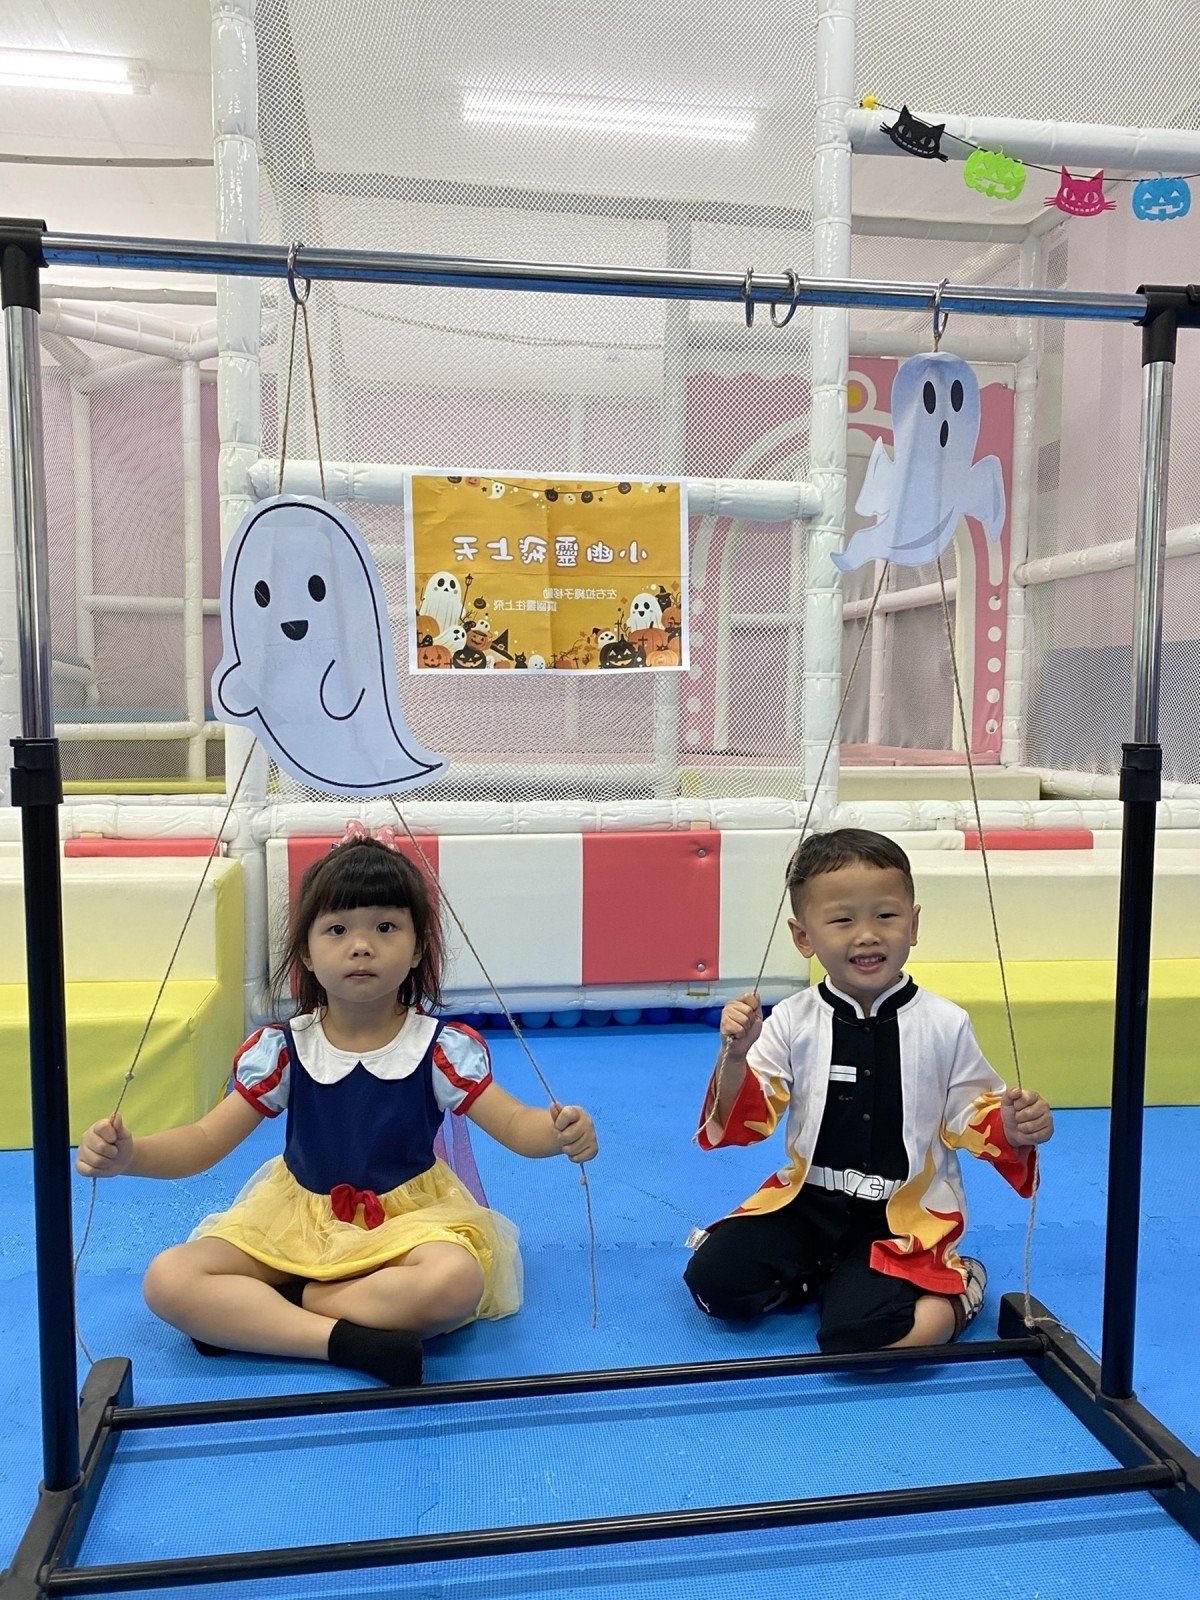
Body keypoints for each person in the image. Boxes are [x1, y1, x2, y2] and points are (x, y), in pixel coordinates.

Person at [76, 831, 598, 1387]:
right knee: (168, 1279)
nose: (362, 946)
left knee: (454, 1282)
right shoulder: (284, 1049)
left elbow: (515, 1124)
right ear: (305, 951)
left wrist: (556, 1133)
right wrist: (130, 1156)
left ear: (418, 949)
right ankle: (345, 1342)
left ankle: (282, 1306)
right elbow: (203, 1142)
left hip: (406, 1225)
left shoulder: (438, 1049)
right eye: (338, 929)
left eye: (386, 927)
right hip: (293, 1220)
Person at [683, 828, 1052, 1354]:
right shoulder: (789, 1019)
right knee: (713, 1284)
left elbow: (973, 1111)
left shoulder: (944, 1022)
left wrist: (1013, 1124)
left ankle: (959, 1291)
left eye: (885, 915)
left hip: (900, 1213)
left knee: (859, 1343)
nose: (867, 935)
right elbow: (749, 1116)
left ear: (913, 925)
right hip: (806, 1203)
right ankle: (831, 1280)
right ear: (803, 936)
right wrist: (736, 1055)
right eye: (842, 920)